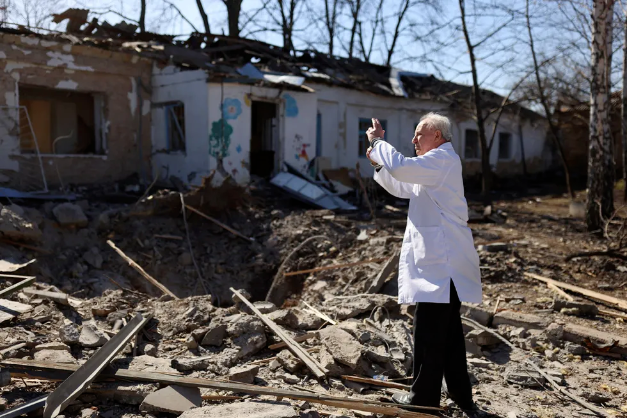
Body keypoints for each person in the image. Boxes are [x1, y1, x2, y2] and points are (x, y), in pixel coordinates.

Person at [366, 113, 484, 417]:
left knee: (429, 333)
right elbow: (402, 185)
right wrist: (380, 163)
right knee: (449, 336)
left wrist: (379, 142)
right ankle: (461, 397)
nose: (414, 140)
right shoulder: (432, 167)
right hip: (441, 267)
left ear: (439, 136)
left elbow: (403, 167)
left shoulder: (442, 159)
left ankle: (423, 401)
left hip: (442, 268)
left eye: (420, 134)